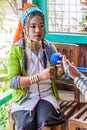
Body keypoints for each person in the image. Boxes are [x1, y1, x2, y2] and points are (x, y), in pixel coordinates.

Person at [8, 3, 66, 130]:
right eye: (32, 27)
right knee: (25, 125)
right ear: (24, 29)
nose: (38, 30)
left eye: (41, 26)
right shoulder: (16, 50)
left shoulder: (49, 47)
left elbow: (55, 74)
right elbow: (13, 82)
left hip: (46, 96)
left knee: (45, 123)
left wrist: (60, 70)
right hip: (25, 99)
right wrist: (39, 77)